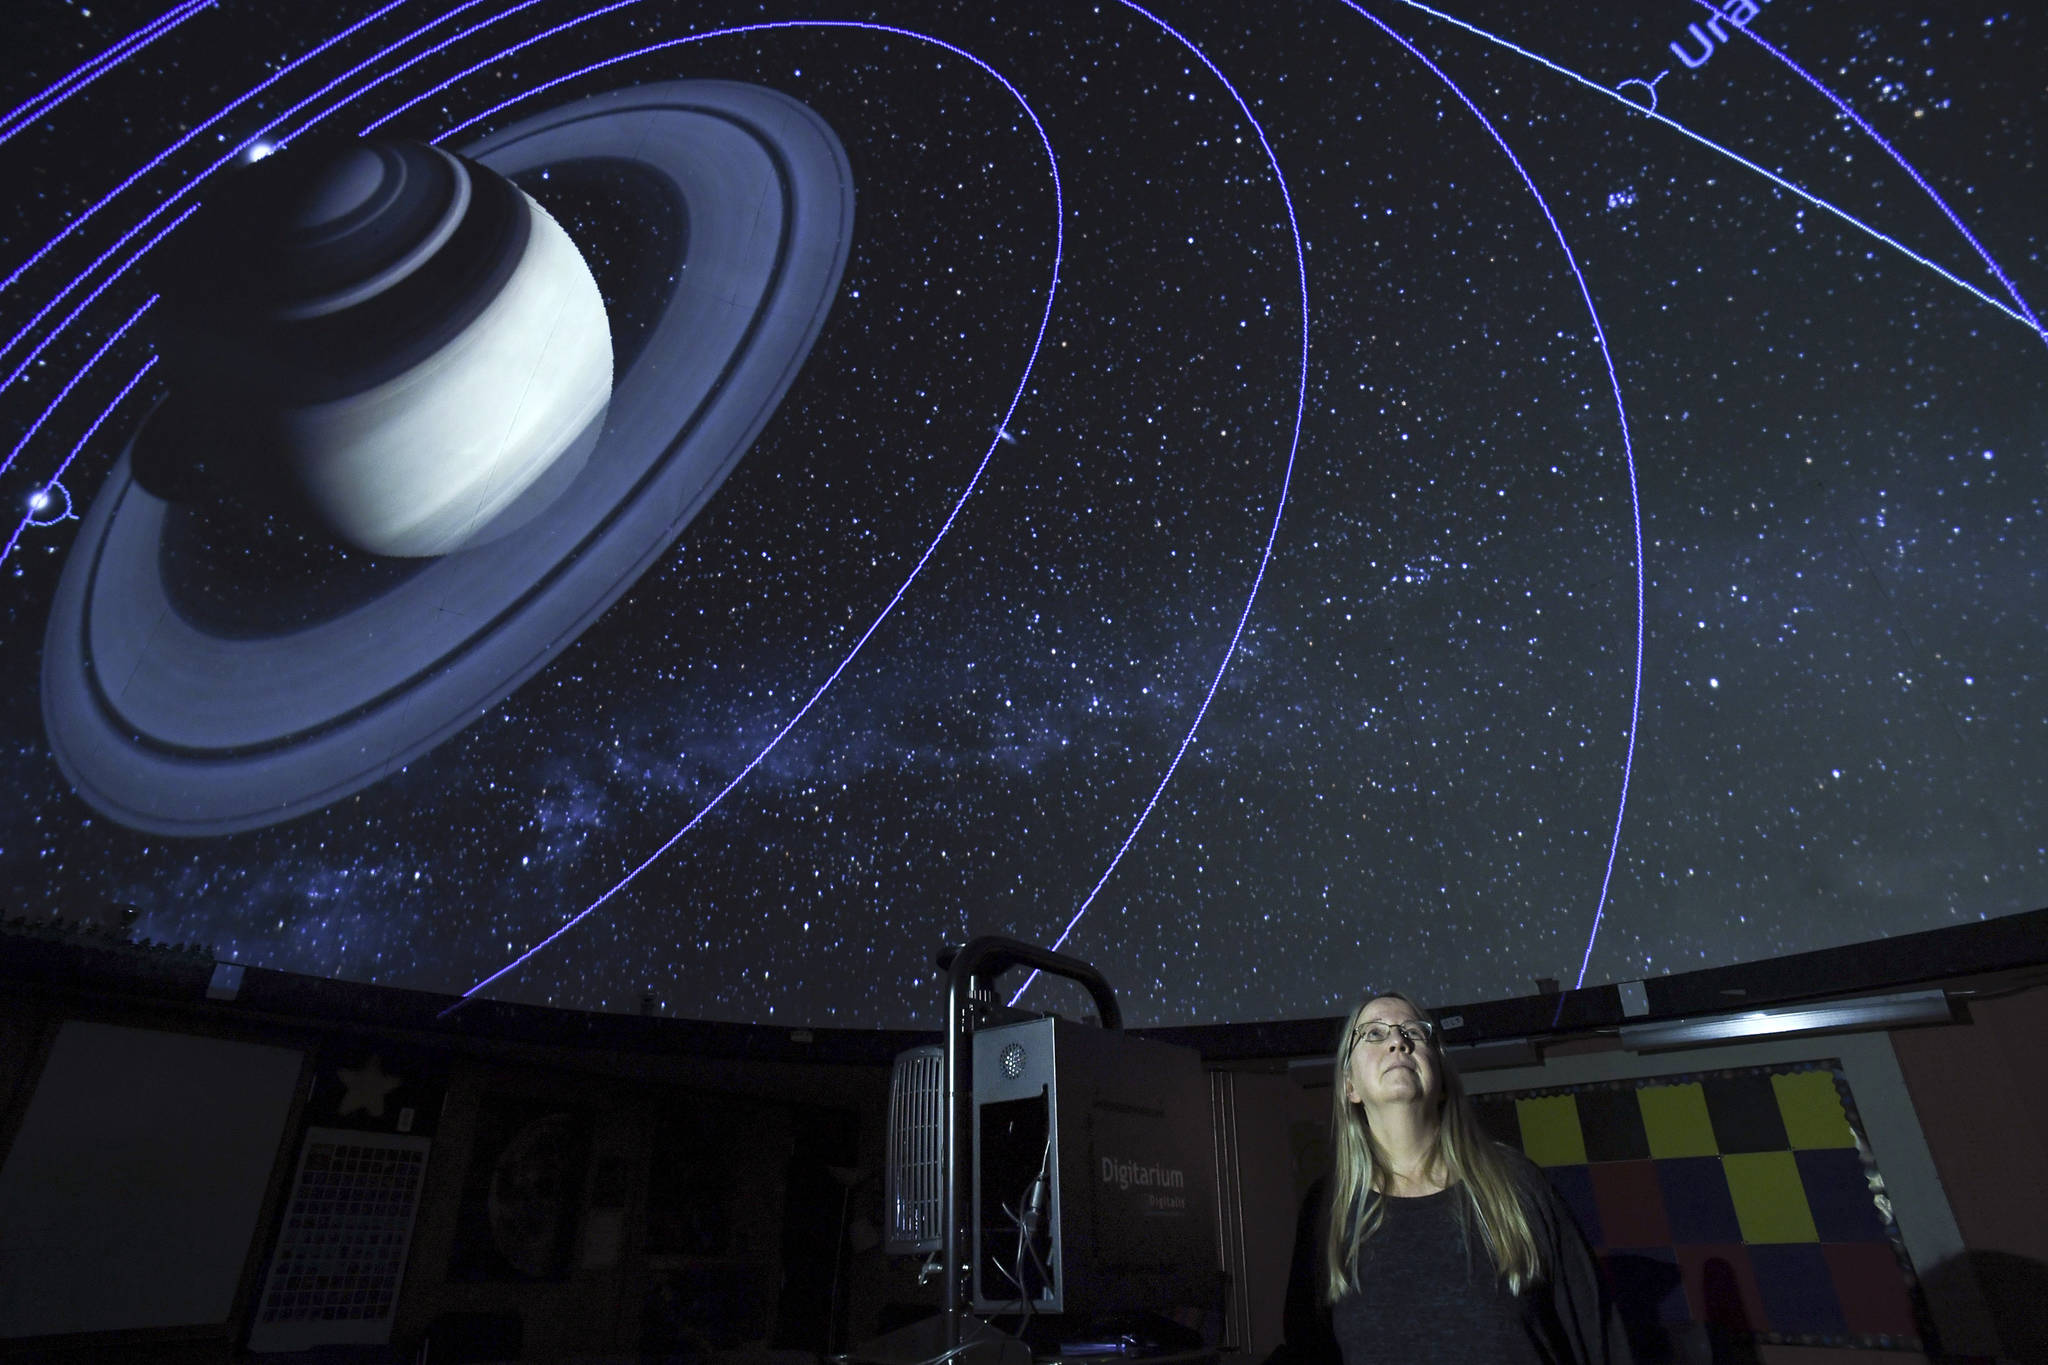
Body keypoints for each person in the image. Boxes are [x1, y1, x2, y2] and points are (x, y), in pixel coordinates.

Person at [1273, 992, 1632, 1365]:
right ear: (1350, 1087)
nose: (1398, 1041)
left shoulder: (1515, 1183)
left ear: (1442, 1079)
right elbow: (1306, 1350)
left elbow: (1597, 1332)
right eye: (1374, 1034)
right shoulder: (1325, 1210)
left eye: (1414, 1031)